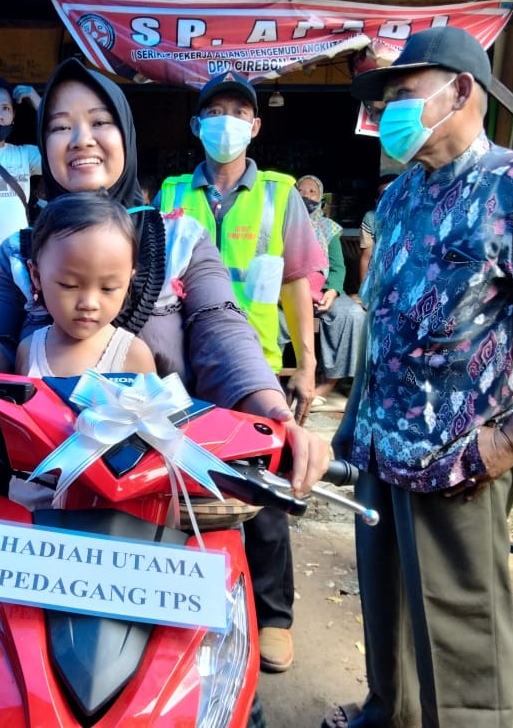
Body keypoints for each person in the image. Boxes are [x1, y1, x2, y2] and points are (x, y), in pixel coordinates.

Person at [0, 59, 330, 681]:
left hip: (166, 509)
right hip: (42, 515)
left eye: (100, 121)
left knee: (200, 686)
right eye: (59, 126)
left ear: (127, 136)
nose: (81, 138)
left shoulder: (181, 235)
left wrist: (274, 413)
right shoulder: (18, 250)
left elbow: (222, 328)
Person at [321, 26, 513, 728]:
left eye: (403, 92)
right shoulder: (400, 198)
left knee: (461, 637)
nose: (389, 109)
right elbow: (385, 324)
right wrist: (352, 428)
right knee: (386, 610)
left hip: (458, 458)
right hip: (381, 449)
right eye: (384, 96)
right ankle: (387, 714)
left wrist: (510, 442)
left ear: (461, 92)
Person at [154, 71, 326, 673]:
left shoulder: (280, 193)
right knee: (188, 486)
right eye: (214, 112)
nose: (226, 122)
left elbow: (297, 283)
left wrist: (305, 364)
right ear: (197, 125)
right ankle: (194, 607)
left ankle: (273, 616)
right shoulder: (171, 193)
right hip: (185, 366)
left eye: (238, 112)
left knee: (268, 492)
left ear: (255, 126)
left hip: (259, 370)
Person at [16, 191, 156, 377]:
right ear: (36, 275)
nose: (89, 303)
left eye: (108, 288)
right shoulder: (28, 352)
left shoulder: (133, 356)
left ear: (128, 282)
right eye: (69, 285)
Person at [295, 174, 365, 411]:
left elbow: (337, 267)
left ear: (321, 198)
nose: (306, 196)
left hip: (323, 290)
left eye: (312, 192)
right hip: (289, 292)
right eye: (300, 190)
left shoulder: (329, 228)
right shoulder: (280, 222)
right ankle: (283, 381)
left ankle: (328, 384)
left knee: (352, 315)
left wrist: (333, 291)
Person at [0, 73, 43, 248]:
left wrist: (38, 101)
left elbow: (61, 152)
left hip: (18, 256)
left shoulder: (25, 155)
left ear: (13, 115)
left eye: (6, 108)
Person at [356, 171, 397, 293]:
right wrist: (363, 292)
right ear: (377, 201)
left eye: (394, 193)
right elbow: (366, 258)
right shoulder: (371, 218)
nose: (390, 199)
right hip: (380, 280)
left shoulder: (416, 216)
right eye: (384, 195)